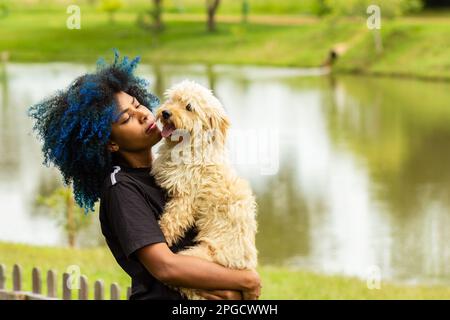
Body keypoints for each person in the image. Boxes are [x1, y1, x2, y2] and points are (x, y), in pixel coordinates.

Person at [28, 51, 261, 300]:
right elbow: (165, 267)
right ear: (110, 144)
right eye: (127, 118)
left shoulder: (175, 169)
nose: (143, 115)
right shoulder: (121, 189)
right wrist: (247, 280)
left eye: (138, 105)